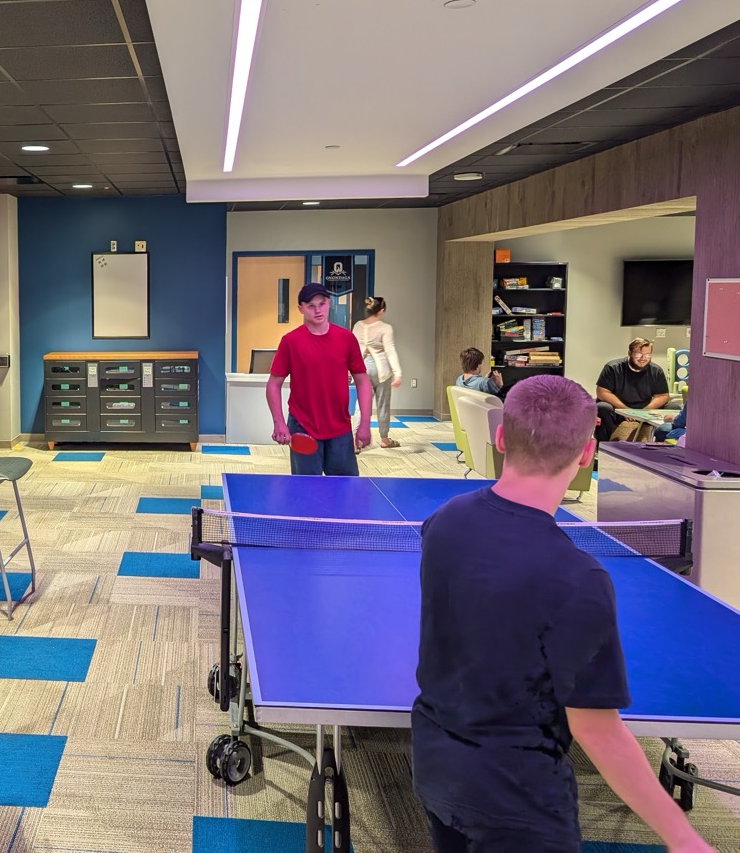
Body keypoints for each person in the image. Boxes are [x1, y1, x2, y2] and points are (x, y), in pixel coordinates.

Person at [412, 375, 711, 853]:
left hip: (436, 765)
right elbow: (597, 730)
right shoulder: (578, 578)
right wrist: (683, 838)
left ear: (500, 437)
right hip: (519, 799)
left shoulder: (445, 519)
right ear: (587, 453)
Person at [267, 281, 373, 475]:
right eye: (311, 306)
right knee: (307, 489)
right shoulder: (290, 341)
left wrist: (365, 422)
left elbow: (362, 381)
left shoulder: (346, 338)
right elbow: (273, 384)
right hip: (303, 426)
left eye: (322, 303)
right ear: (301, 308)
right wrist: (278, 422)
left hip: (340, 427)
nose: (318, 310)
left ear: (329, 303)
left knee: (345, 488)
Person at [595, 338, 671, 441]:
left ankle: (662, 446)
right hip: (618, 409)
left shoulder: (656, 370)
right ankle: (602, 445)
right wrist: (625, 410)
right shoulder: (613, 367)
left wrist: (644, 412)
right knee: (603, 407)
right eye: (638, 354)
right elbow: (602, 392)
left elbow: (663, 395)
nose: (643, 358)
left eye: (647, 355)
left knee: (673, 407)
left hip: (645, 409)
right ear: (630, 353)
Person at [352, 296, 403, 448]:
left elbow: (353, 350)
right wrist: (398, 373)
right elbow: (390, 351)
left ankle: (355, 441)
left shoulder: (358, 326)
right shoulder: (385, 328)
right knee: (383, 405)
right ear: (381, 311)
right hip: (382, 371)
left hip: (362, 369)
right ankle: (384, 439)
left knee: (361, 405)